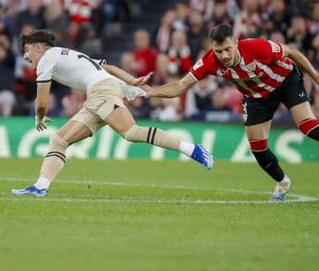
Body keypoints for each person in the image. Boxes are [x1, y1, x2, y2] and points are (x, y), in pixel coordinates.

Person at [146, 24, 319, 202]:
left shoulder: (255, 47)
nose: (224, 56)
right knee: (258, 149)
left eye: (227, 49)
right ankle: (283, 182)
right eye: (218, 51)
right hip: (257, 96)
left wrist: (315, 75)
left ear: (235, 42)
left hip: (285, 81)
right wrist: (153, 91)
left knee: (308, 127)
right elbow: (181, 85)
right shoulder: (208, 61)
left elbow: (292, 52)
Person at [11, 30, 213, 197]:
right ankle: (40, 186)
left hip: (101, 92)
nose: (25, 56)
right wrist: (132, 81)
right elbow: (109, 66)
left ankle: (192, 149)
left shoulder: (47, 57)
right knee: (59, 140)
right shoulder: (66, 53)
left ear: (39, 47)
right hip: (98, 94)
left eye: (27, 50)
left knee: (131, 132)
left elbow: (42, 100)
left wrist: (39, 117)